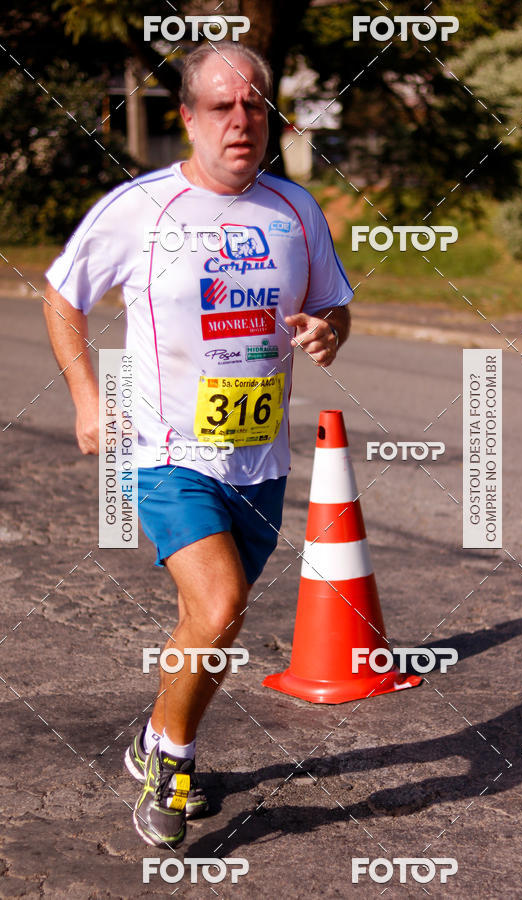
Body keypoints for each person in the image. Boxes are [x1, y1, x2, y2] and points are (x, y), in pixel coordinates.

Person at [43, 42, 351, 849]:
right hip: (167, 454)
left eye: (254, 106)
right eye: (221, 107)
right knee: (221, 607)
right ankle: (172, 768)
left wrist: (327, 330)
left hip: (260, 459)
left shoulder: (295, 210)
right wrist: (85, 395)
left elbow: (333, 306)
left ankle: (154, 737)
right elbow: (61, 293)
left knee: (207, 626)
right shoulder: (142, 207)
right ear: (187, 117)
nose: (240, 122)